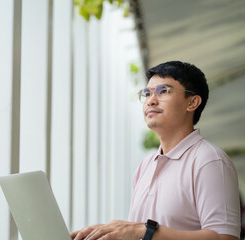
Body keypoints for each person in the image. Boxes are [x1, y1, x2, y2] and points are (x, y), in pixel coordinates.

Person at [71, 61, 240, 240]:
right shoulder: (145, 166)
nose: (151, 100)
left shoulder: (209, 160)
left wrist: (145, 231)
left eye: (164, 91)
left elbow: (225, 238)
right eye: (147, 93)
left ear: (192, 103)